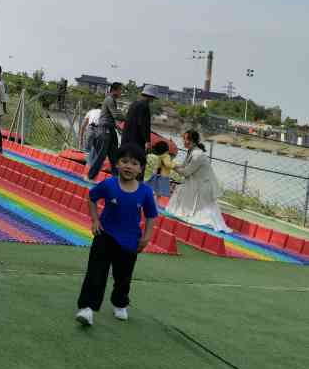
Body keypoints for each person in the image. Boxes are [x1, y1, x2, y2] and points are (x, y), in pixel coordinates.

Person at [76, 145, 158, 326]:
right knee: (96, 272)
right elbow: (91, 197)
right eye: (124, 161)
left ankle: (120, 303)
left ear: (141, 168)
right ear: (116, 164)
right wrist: (95, 220)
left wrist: (146, 237)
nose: (129, 166)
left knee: (123, 276)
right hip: (105, 235)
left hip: (130, 241)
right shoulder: (108, 184)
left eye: (134, 163)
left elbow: (151, 215)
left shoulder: (145, 192)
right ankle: (87, 308)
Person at [167, 130, 231, 232]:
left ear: (191, 141)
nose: (183, 141)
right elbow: (183, 165)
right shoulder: (191, 151)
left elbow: (186, 172)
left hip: (205, 185)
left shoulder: (198, 155)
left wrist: (170, 165)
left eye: (185, 139)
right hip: (198, 183)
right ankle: (185, 215)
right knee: (183, 191)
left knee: (208, 210)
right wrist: (170, 163)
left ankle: (211, 223)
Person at [121, 84, 158, 179]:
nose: (153, 100)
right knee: (138, 165)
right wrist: (147, 141)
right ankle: (135, 186)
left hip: (126, 140)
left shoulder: (134, 104)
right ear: (151, 96)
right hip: (136, 142)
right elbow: (144, 125)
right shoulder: (144, 106)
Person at [88, 82, 123, 179]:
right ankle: (90, 176)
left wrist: (118, 127)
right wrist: (129, 118)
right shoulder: (109, 99)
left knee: (114, 156)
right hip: (104, 130)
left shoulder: (113, 100)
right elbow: (115, 115)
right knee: (102, 155)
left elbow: (111, 117)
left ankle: (117, 179)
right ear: (115, 90)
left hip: (111, 130)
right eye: (120, 90)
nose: (121, 93)